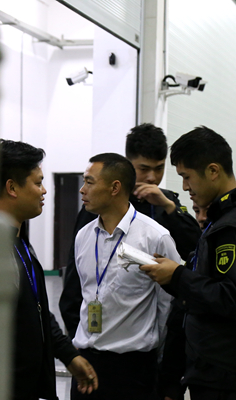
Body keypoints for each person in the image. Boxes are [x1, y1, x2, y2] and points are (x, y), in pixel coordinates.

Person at [140, 126, 236, 400]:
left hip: (228, 380)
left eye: (187, 177)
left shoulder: (235, 227)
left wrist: (178, 276)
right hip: (217, 372)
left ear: (213, 171)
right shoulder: (225, 217)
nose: (185, 187)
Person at [59, 123, 201, 338]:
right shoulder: (98, 206)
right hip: (95, 334)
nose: (152, 177)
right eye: (144, 169)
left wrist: (169, 207)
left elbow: (195, 248)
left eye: (159, 168)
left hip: (146, 337)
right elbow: (76, 277)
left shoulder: (166, 203)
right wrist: (76, 336)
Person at [0, 139, 98, 400]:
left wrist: (68, 354)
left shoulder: (19, 241)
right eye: (38, 183)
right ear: (12, 187)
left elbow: (35, 311)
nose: (44, 191)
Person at [70, 153, 180, 400]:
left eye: (89, 182)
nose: (82, 189)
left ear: (115, 188)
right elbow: (82, 294)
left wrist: (162, 366)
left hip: (133, 370)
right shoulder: (84, 236)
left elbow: (168, 307)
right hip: (87, 364)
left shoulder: (155, 237)